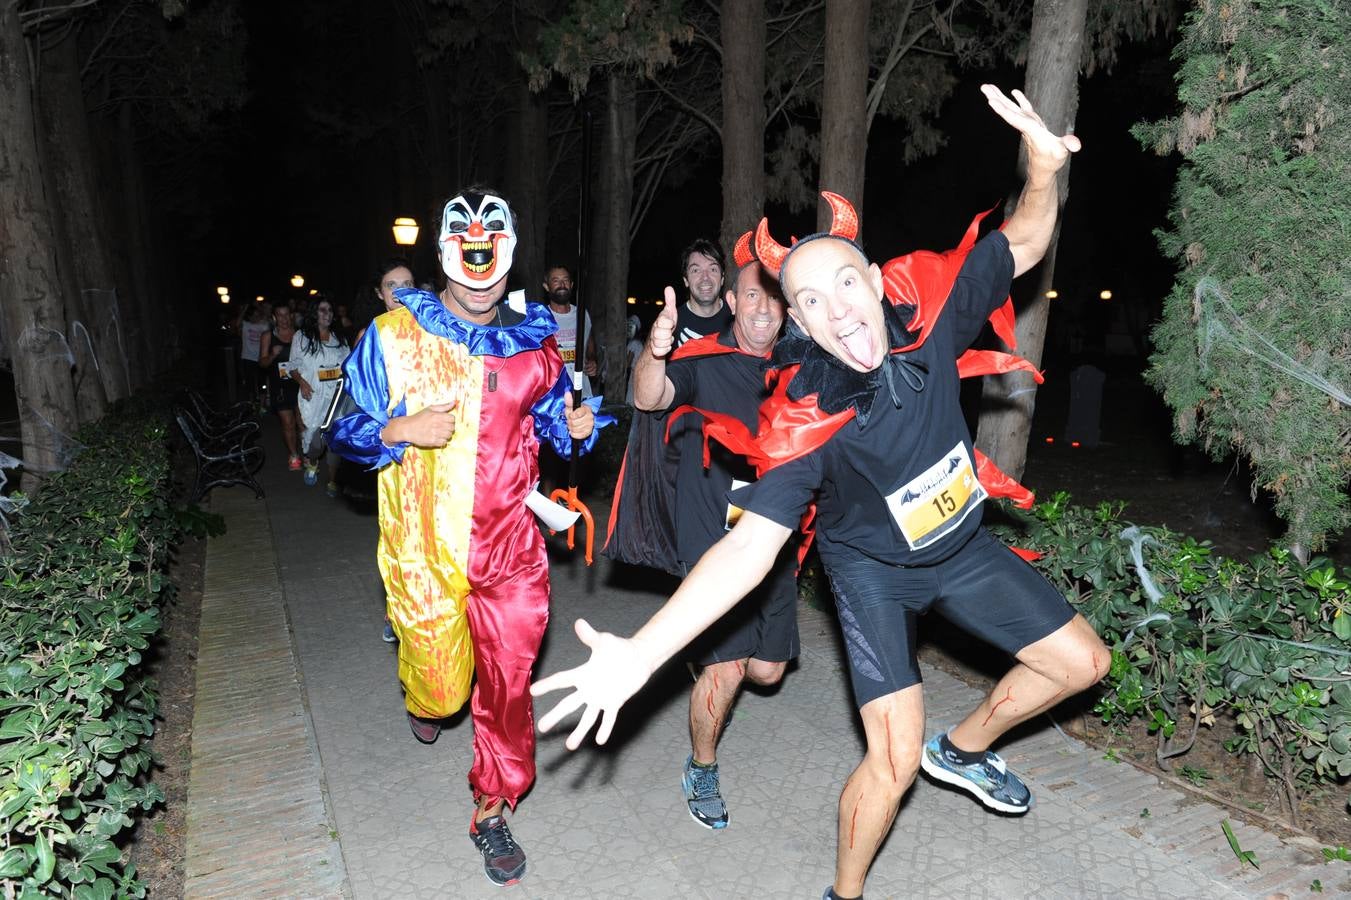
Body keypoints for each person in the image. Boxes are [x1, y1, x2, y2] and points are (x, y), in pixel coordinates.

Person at [533, 86, 1109, 900]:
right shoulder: (810, 418)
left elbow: (1019, 241)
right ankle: (844, 893)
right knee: (891, 758)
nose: (835, 311)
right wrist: (643, 653)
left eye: (842, 285)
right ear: (799, 321)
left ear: (873, 280)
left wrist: (1043, 169)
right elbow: (750, 547)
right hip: (871, 572)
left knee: (1083, 663)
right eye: (808, 301)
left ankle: (966, 749)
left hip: (961, 548)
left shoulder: (935, 315)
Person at [328, 187, 606, 888]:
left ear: (509, 260)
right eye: (464, 251)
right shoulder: (392, 338)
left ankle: (492, 806)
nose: (479, 266)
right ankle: (425, 698)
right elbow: (343, 435)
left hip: (512, 553)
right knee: (444, 693)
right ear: (444, 257)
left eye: (492, 252)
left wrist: (574, 430)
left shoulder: (535, 343)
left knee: (509, 689)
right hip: (424, 555)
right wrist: (399, 429)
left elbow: (550, 426)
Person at [631, 242, 798, 831]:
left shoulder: (799, 363)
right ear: (731, 300)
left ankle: (705, 662)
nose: (761, 309)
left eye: (773, 298)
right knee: (728, 667)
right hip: (712, 538)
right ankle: (702, 766)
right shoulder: (703, 360)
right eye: (750, 295)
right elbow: (648, 397)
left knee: (767, 671)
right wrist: (654, 352)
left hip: (772, 538)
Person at [538, 264, 597, 494]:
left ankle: (573, 506)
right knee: (551, 459)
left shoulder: (582, 314)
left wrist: (593, 362)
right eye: (555, 280)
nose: (561, 284)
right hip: (553, 398)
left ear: (571, 285)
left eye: (565, 280)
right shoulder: (541, 317)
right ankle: (549, 512)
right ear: (546, 286)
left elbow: (589, 347)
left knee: (579, 456)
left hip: (583, 396)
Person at [288, 298, 350, 495]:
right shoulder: (302, 337)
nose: (328, 314)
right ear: (314, 313)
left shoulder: (339, 339)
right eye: (323, 310)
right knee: (316, 443)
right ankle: (313, 462)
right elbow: (292, 367)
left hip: (336, 397)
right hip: (312, 396)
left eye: (330, 310)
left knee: (335, 442)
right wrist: (302, 382)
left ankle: (333, 481)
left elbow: (348, 366)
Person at [258, 300, 302, 469]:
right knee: (288, 423)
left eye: (286, 314)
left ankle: (306, 453)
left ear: (291, 316)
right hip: (280, 386)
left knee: (303, 422)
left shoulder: (300, 334)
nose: (284, 318)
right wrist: (271, 355)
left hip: (299, 383)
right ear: (274, 317)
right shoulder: (268, 336)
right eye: (280, 315)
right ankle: (293, 455)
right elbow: (262, 363)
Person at [675, 238, 731, 347]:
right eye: (696, 270)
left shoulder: (737, 320)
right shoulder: (672, 324)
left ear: (722, 278)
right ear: (686, 280)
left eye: (713, 269)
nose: (705, 277)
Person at [238, 302, 270, 407]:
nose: (256, 317)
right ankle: (251, 405)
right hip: (247, 358)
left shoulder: (264, 325)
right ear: (250, 316)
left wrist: (259, 306)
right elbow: (237, 324)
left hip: (261, 358)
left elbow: (268, 315)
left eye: (258, 315)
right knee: (249, 383)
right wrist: (244, 309)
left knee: (262, 383)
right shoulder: (246, 325)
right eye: (254, 315)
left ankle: (262, 405)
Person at [623, 314, 643, 406]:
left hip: (635, 372)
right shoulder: (639, 342)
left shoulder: (633, 343)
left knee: (631, 398)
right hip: (640, 373)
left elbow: (628, 363)